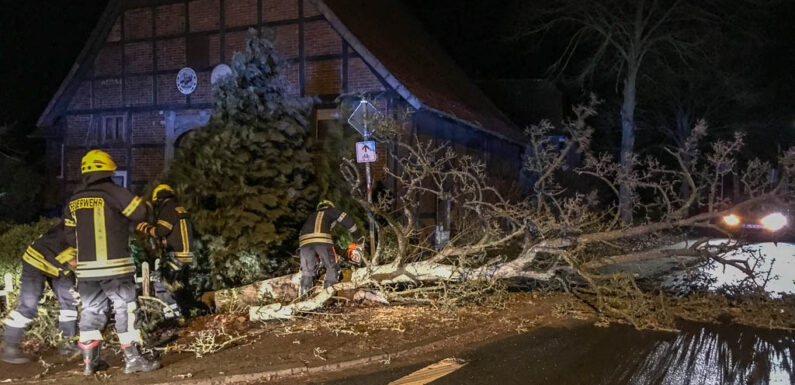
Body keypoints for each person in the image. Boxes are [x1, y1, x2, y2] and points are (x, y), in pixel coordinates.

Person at [63, 149, 160, 375]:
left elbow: (69, 235)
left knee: (91, 311)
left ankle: (90, 362)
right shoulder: (113, 192)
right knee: (126, 308)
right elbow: (140, 212)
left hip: (86, 272)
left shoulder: (74, 200)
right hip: (116, 267)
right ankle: (133, 359)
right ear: (108, 170)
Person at [1, 220, 79, 364]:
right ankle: (9, 347)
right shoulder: (80, 228)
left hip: (58, 266)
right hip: (36, 261)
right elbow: (74, 261)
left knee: (70, 301)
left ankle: (68, 344)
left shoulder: (82, 224)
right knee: (28, 306)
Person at [135, 184, 194, 321]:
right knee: (175, 286)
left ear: (159, 200)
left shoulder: (168, 209)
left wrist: (145, 228)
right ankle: (181, 314)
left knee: (161, 283)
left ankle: (171, 315)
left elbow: (161, 231)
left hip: (176, 255)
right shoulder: (178, 208)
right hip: (185, 255)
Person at [298, 200, 362, 295]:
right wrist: (357, 235)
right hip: (321, 239)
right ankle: (327, 297)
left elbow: (312, 240)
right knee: (332, 267)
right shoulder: (330, 210)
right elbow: (346, 219)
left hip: (304, 242)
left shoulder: (312, 215)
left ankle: (304, 297)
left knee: (307, 271)